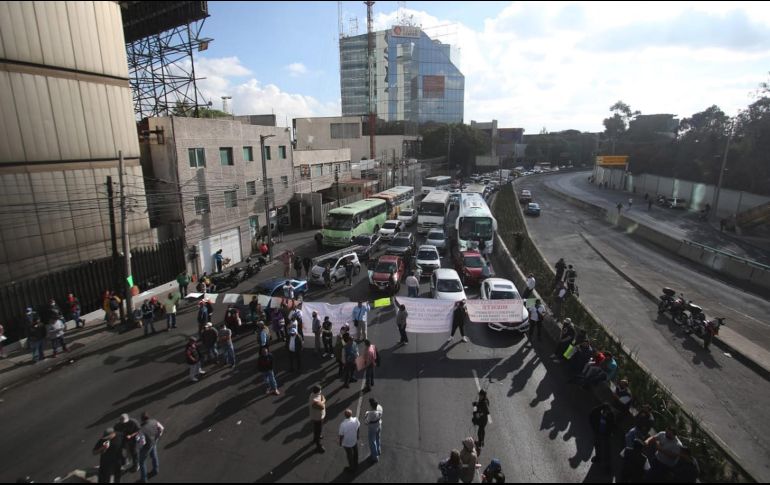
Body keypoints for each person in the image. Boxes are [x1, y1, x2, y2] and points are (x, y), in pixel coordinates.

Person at [138, 412, 164, 483]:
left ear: (142, 419)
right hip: (153, 442)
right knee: (154, 456)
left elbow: (142, 442)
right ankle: (156, 470)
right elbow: (161, 428)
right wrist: (158, 436)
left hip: (146, 446)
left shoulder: (142, 429)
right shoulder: (154, 421)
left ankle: (144, 479)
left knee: (142, 462)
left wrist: (139, 447)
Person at [589, 402, 615, 469]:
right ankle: (598, 457)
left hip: (605, 435)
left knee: (606, 450)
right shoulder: (598, 412)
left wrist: (609, 433)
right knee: (597, 446)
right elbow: (591, 415)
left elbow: (612, 425)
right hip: (598, 433)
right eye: (605, 411)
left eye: (607, 412)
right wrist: (594, 428)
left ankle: (607, 466)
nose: (606, 413)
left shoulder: (610, 416)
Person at [364, 398, 383, 462]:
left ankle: (375, 456)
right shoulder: (380, 407)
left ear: (371, 405)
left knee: (372, 441)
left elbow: (366, 422)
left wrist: (366, 415)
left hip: (372, 428)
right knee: (378, 438)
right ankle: (378, 450)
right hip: (379, 425)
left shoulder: (371, 414)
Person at [309, 385, 326, 453]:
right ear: (318, 391)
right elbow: (322, 407)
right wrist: (324, 401)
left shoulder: (313, 394)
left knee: (317, 429)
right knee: (318, 430)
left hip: (318, 416)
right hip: (317, 417)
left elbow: (321, 396)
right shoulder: (314, 400)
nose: (321, 391)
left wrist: (322, 399)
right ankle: (318, 445)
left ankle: (315, 438)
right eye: (320, 390)